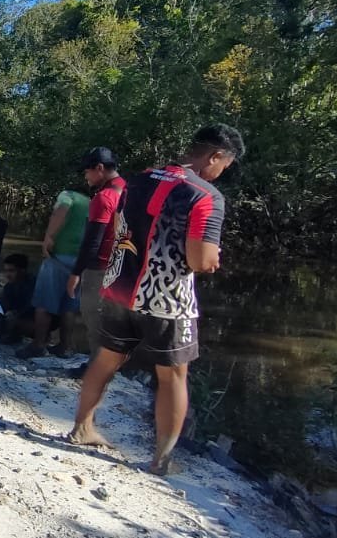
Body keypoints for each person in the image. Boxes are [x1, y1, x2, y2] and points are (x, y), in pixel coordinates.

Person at [68, 123, 244, 476]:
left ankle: (82, 428)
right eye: (224, 166)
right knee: (173, 375)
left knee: (105, 359)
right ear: (215, 156)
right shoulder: (205, 196)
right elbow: (199, 259)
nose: (221, 174)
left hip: (119, 287)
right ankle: (161, 460)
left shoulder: (138, 180)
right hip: (166, 299)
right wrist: (212, 260)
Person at [65, 147, 126, 356]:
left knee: (93, 317)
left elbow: (92, 241)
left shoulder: (104, 198)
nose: (86, 177)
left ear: (99, 168)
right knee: (114, 321)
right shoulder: (127, 189)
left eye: (87, 171)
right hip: (122, 268)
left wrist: (76, 273)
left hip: (100, 267)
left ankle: (96, 365)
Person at [17, 187, 90, 358]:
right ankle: (65, 346)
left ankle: (38, 345)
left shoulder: (68, 195)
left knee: (43, 303)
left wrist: (48, 237)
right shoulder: (90, 203)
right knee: (69, 306)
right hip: (79, 260)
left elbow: (61, 210)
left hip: (58, 256)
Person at [0, 253, 36, 344]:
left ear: (22, 270)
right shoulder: (10, 286)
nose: (7, 274)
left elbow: (31, 308)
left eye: (11, 271)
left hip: (35, 320)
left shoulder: (33, 284)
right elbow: (2, 304)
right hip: (20, 316)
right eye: (6, 271)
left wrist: (14, 316)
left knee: (11, 319)